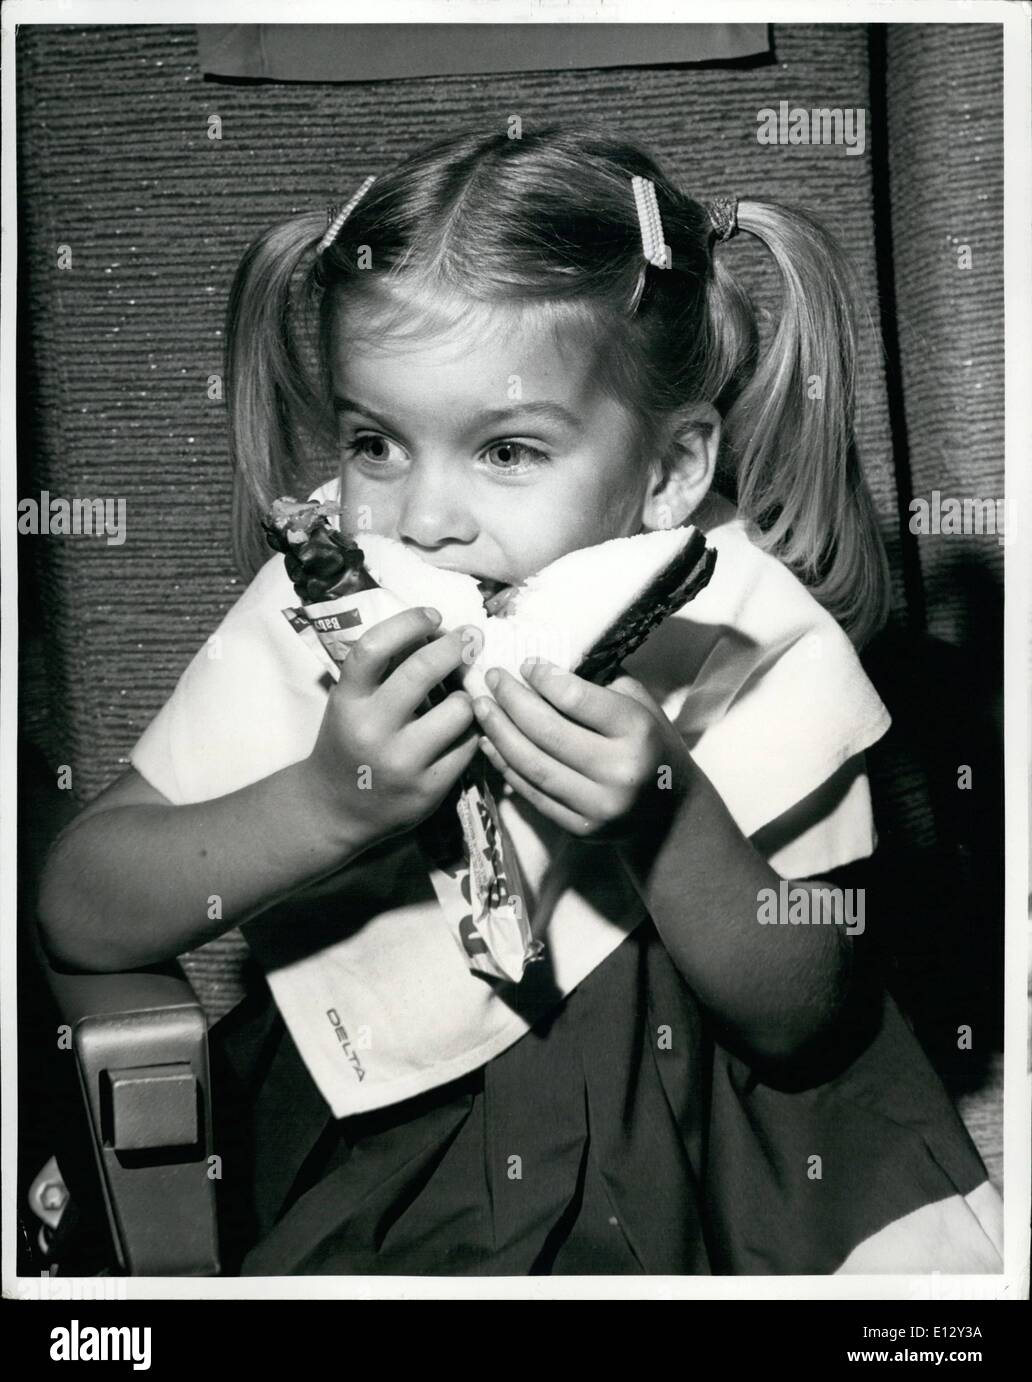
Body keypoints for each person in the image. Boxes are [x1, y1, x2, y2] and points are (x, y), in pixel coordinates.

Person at [38, 125, 1002, 1276]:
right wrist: (324, 804)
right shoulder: (324, 602)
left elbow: (811, 1018)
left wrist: (669, 816)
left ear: (671, 471)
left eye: (505, 451)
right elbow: (80, 904)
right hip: (387, 1144)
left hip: (714, 1153)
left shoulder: (738, 624)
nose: (426, 517)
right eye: (375, 443)